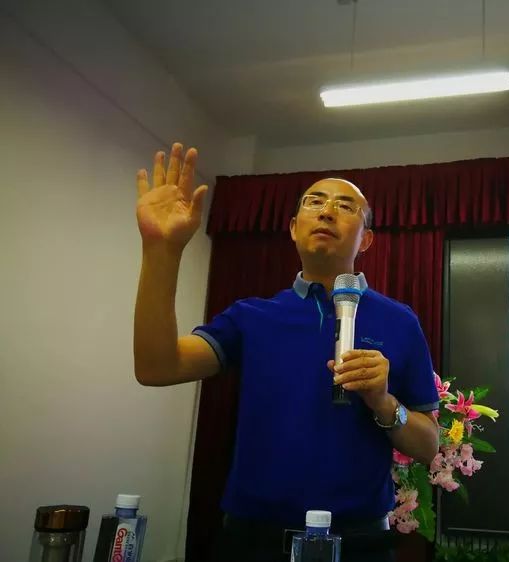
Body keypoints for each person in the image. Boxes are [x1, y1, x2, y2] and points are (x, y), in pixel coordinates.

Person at [134, 143, 440, 562]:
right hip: (252, 540)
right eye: (315, 202)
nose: (327, 211)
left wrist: (383, 402)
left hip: (359, 541)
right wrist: (161, 251)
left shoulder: (400, 321)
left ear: (366, 239)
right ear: (294, 228)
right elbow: (156, 367)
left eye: (345, 206)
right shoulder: (251, 316)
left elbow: (428, 445)